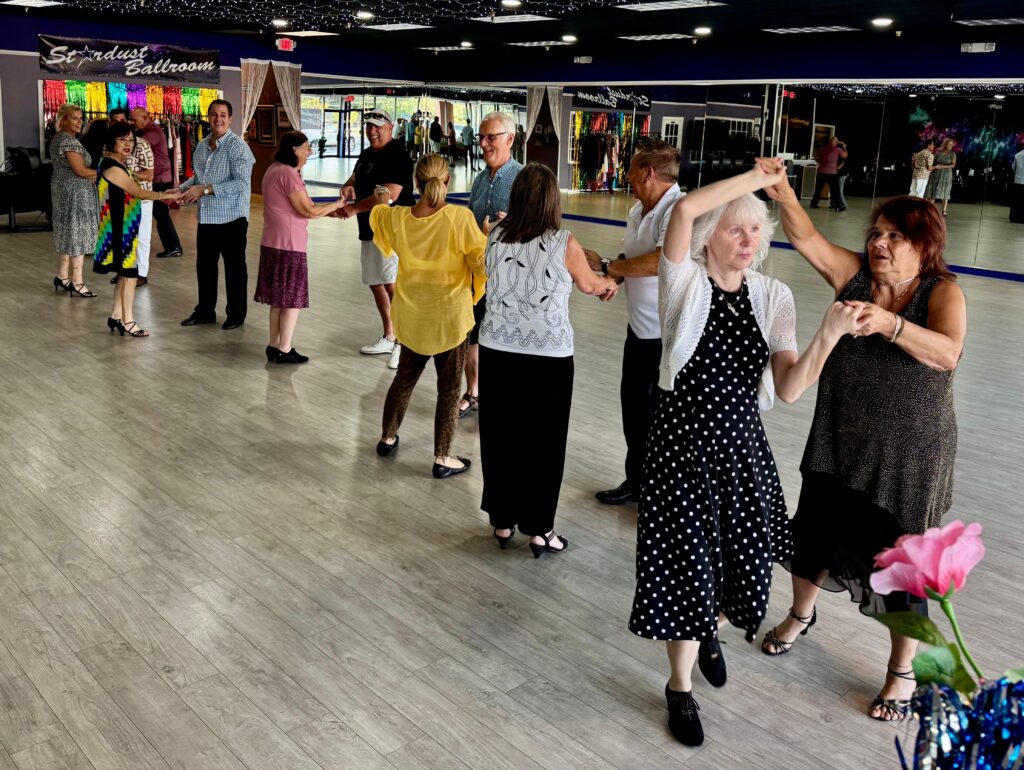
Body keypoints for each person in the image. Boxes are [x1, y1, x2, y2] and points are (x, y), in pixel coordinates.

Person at [629, 162, 866, 747]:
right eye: (736, 229)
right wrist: (756, 180)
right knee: (686, 571)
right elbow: (685, 209)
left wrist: (828, 335)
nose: (748, 240)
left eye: (756, 230)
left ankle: (709, 628)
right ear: (709, 235)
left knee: (748, 574)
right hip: (681, 449)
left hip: (742, 452)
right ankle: (680, 687)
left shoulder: (772, 295)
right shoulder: (683, 281)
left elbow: (788, 388)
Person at [761, 170, 966, 724]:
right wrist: (786, 195)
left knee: (903, 566)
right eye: (876, 233)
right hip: (838, 439)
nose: (880, 243)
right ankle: (801, 615)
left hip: (907, 458)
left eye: (895, 236)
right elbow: (806, 239)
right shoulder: (853, 277)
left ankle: (902, 670)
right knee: (814, 537)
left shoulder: (941, 292)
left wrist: (891, 324)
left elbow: (947, 353)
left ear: (924, 246)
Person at [480, 163, 619, 557]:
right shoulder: (563, 242)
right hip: (547, 356)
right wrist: (612, 281)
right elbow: (590, 285)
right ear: (551, 200)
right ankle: (540, 529)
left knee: (500, 437)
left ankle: (503, 521)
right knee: (544, 443)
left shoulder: (496, 235)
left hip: (497, 349)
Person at [371, 154, 486, 478]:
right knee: (449, 390)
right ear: (447, 181)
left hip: (412, 316)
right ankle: (442, 457)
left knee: (404, 379)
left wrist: (382, 198)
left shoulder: (400, 218)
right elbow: (481, 262)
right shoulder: (460, 218)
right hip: (450, 318)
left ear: (416, 183)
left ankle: (387, 437)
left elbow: (379, 215)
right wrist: (486, 236)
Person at [587, 141, 684, 506]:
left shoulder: (678, 210)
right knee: (634, 410)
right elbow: (632, 256)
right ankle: (637, 482)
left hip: (668, 335)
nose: (625, 175)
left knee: (662, 417)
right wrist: (615, 278)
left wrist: (608, 266)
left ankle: (661, 492)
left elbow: (661, 261)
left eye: (630, 168)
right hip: (639, 329)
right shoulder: (638, 209)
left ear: (647, 173)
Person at [256, 131, 344, 364]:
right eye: (306, 148)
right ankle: (284, 348)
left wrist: (329, 212)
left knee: (278, 300)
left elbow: (304, 207)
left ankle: (274, 345)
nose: (309, 152)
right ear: (294, 150)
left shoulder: (274, 169)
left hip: (272, 242)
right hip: (290, 244)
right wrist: (338, 204)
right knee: (291, 299)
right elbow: (308, 211)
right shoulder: (288, 173)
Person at [337, 109, 415, 367]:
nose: (372, 131)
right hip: (368, 230)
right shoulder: (367, 153)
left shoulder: (398, 155)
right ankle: (390, 335)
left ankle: (404, 342)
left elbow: (388, 195)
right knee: (375, 281)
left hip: (391, 231)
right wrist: (349, 185)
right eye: (369, 126)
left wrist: (354, 208)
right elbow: (356, 176)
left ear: (390, 128)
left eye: (378, 126)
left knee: (392, 284)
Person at [459, 111, 524, 419]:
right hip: (477, 275)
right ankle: (473, 392)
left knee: (504, 338)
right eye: (481, 137)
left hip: (510, 277)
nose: (484, 143)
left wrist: (511, 225)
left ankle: (504, 396)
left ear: (510, 139)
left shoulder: (524, 179)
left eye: (491, 137)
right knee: (472, 335)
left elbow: (542, 228)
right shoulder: (480, 179)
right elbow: (470, 223)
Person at [92, 122, 181, 337]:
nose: (128, 144)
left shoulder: (117, 164)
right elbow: (138, 192)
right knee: (130, 275)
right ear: (111, 142)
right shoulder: (112, 167)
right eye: (122, 140)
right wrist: (166, 195)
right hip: (119, 230)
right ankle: (129, 321)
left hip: (123, 228)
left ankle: (116, 316)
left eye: (131, 140)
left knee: (124, 275)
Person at [179, 99, 256, 330]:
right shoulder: (202, 145)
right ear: (209, 117)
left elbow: (241, 183)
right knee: (205, 267)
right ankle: (205, 311)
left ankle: (236, 315)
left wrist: (204, 190)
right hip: (207, 217)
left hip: (232, 218)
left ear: (230, 119)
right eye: (214, 114)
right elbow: (198, 179)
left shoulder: (238, 147)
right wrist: (179, 189)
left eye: (223, 115)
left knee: (234, 269)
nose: (218, 119)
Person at [49, 103, 99, 298]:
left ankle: (62, 276)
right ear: (64, 121)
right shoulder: (69, 142)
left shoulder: (59, 139)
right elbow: (80, 171)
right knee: (78, 234)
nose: (80, 122)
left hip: (63, 191)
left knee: (67, 232)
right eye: (74, 118)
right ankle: (77, 282)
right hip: (75, 195)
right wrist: (106, 173)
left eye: (81, 118)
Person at [110, 108, 154, 287]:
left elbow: (149, 174)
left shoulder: (142, 145)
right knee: (122, 237)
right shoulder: (109, 146)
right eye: (115, 121)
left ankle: (141, 273)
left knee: (142, 237)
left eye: (122, 120)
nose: (119, 124)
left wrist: (128, 175)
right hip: (119, 198)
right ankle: (124, 271)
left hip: (141, 198)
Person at [131, 107, 183, 258]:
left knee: (161, 214)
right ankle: (173, 246)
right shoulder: (147, 132)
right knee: (160, 214)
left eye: (134, 120)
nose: (132, 123)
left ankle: (174, 247)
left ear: (145, 118)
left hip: (160, 179)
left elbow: (136, 146)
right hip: (159, 178)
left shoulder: (153, 133)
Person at [809, 135, 848, 211]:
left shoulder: (824, 148)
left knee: (818, 189)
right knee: (835, 191)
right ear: (836, 142)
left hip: (821, 171)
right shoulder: (838, 149)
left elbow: (817, 158)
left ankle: (813, 204)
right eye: (836, 141)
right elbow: (845, 156)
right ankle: (838, 206)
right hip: (831, 173)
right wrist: (844, 147)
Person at [925, 138, 957, 216]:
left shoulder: (952, 154)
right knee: (933, 191)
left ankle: (944, 210)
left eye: (951, 145)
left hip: (946, 174)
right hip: (936, 173)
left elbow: (953, 165)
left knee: (945, 192)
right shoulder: (938, 152)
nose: (950, 146)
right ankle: (930, 208)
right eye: (949, 144)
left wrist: (942, 166)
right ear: (945, 144)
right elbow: (931, 161)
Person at [1012, 144, 1024, 224]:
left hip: (1018, 181)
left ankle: (1014, 217)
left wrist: (1017, 174)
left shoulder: (1017, 155)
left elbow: (1013, 167)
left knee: (1016, 201)